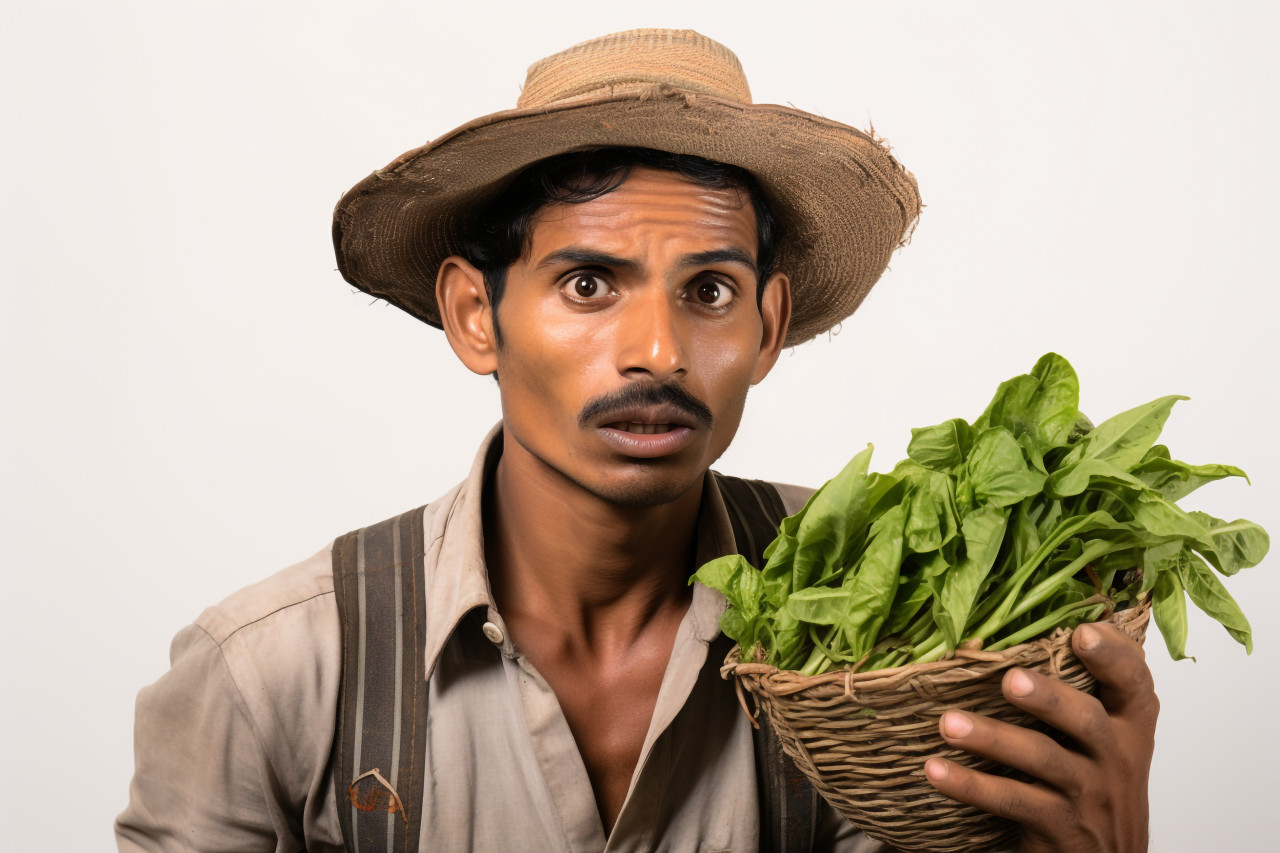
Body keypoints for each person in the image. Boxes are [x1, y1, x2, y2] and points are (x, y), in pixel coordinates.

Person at [116, 29, 1157, 852]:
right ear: (475, 315)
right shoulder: (273, 674)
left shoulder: (898, 624)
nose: (656, 350)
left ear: (766, 325)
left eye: (708, 290)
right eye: (586, 284)